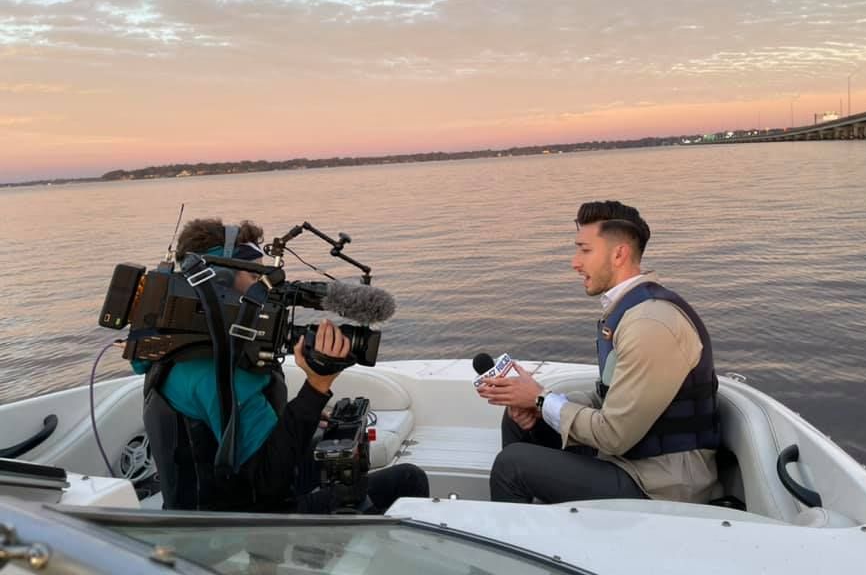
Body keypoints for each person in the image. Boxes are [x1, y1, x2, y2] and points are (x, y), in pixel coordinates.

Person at [136, 217, 429, 513]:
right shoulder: (215, 374)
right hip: (237, 523)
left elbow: (238, 428)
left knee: (342, 455)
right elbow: (269, 485)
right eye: (255, 278)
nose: (266, 291)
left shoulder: (186, 348)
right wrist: (317, 386)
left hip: (223, 496)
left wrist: (305, 415)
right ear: (218, 282)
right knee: (407, 480)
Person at [478, 200, 721, 504]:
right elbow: (612, 400)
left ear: (619, 254)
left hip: (660, 484)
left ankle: (521, 545)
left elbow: (614, 435)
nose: (574, 262)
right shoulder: (628, 310)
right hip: (630, 460)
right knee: (517, 419)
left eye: (584, 250)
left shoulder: (650, 324)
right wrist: (536, 405)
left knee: (511, 467)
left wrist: (541, 399)